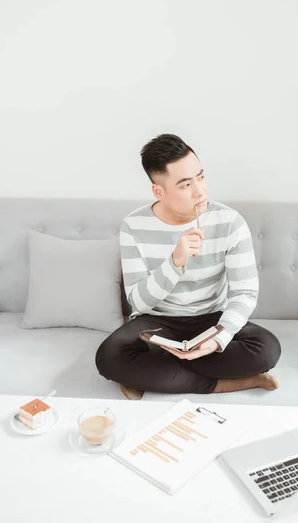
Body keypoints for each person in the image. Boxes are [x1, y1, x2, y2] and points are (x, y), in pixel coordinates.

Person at [96, 134, 281, 399]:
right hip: (157, 322)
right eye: (185, 185)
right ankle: (223, 383)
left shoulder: (230, 222)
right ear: (159, 191)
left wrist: (218, 339)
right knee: (108, 357)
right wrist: (174, 263)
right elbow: (138, 301)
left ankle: (150, 375)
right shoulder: (133, 226)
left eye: (201, 177)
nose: (200, 191)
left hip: (211, 318)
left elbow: (245, 293)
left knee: (267, 349)